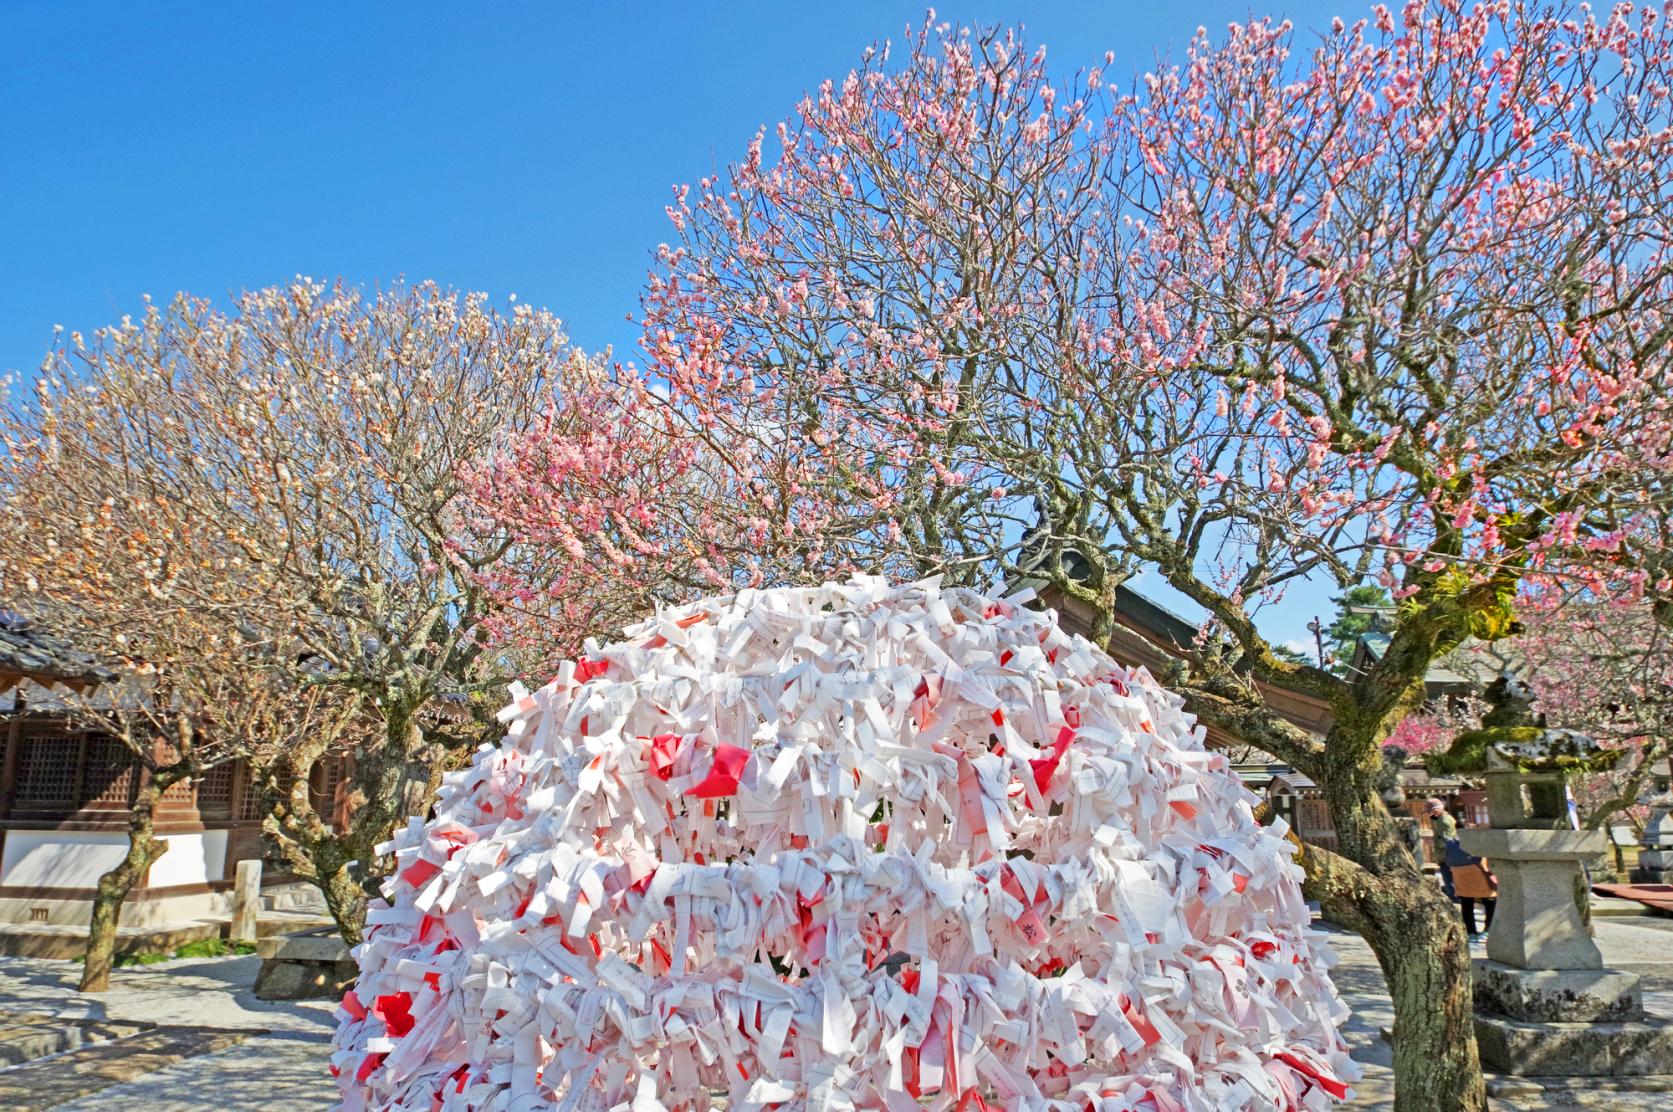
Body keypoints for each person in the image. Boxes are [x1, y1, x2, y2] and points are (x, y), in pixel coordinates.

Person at [1445, 834, 1499, 938]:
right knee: (1490, 901)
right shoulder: (1477, 839)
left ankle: (1471, 932)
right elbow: (1484, 858)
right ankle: (1488, 929)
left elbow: (1447, 858)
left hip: (1459, 874)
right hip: (1478, 873)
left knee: (1466, 904)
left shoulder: (1450, 842)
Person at [1426, 797, 1458, 898]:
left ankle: (1456, 901)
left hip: (1447, 856)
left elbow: (1447, 841)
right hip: (1445, 856)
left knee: (1450, 882)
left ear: (1436, 810)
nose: (1428, 814)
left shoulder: (1444, 821)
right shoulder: (1441, 819)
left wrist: (1435, 842)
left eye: (1429, 812)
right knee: (1449, 881)